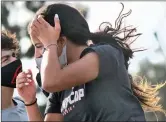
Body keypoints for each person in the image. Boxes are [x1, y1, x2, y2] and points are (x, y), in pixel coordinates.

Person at [16, 3, 166, 121]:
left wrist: (50, 45)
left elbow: (50, 81)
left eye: (40, 46)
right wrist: (30, 101)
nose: (37, 54)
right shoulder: (60, 90)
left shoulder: (105, 54)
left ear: (60, 40)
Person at [1, 30, 28, 121]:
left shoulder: (25, 103)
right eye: (5, 59)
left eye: (13, 55)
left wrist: (30, 101)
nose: (15, 60)